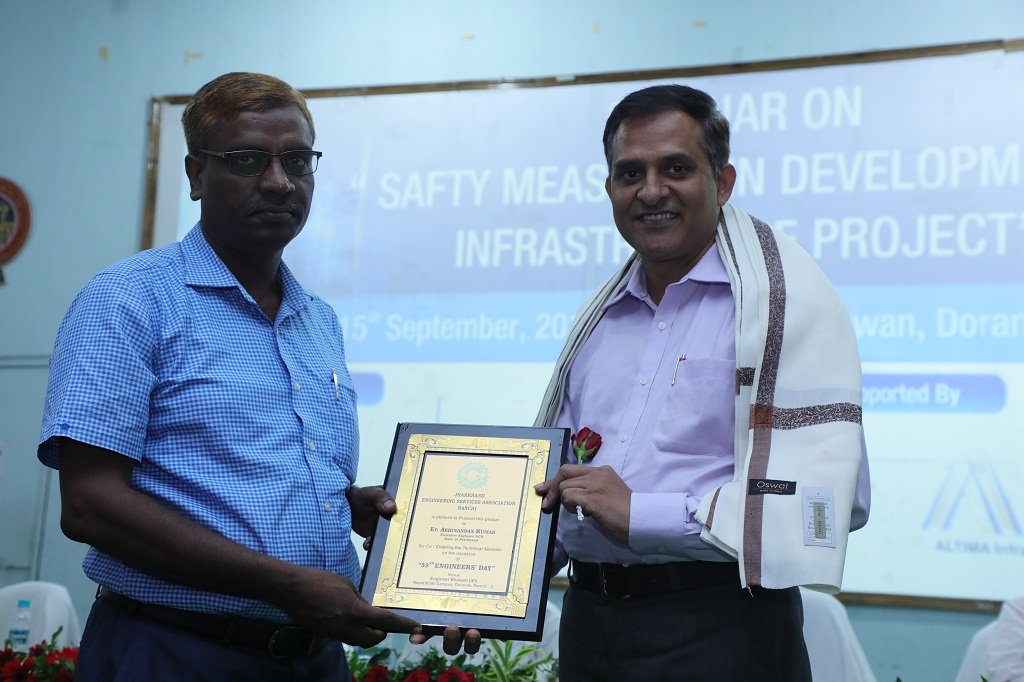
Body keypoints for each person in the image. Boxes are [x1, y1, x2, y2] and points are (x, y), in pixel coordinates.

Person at [37, 72, 477, 681]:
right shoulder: (129, 301)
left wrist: (347, 507)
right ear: (195, 175)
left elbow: (251, 476)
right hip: (171, 652)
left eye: (297, 160)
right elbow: (90, 505)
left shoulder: (317, 320)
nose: (278, 181)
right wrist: (286, 583)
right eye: (247, 160)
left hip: (313, 658)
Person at [533, 84, 871, 680]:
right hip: (589, 627)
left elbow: (837, 498)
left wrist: (645, 514)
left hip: (723, 627)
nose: (652, 190)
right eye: (629, 172)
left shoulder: (777, 309)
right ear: (609, 188)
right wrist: (491, 584)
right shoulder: (599, 322)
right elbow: (557, 487)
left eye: (677, 168)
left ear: (723, 181)